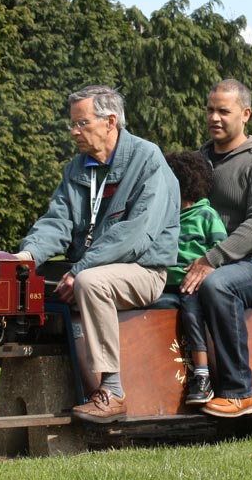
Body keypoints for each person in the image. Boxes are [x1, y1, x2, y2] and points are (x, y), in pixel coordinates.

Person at [17, 84, 180, 423]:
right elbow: (57, 221)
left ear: (110, 122)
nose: (74, 132)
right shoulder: (77, 168)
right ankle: (24, 373)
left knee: (91, 282)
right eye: (72, 125)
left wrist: (81, 269)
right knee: (26, 280)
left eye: (82, 123)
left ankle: (113, 391)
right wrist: (27, 257)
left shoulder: (148, 159)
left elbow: (136, 234)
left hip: (143, 269)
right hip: (88, 267)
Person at [181, 79, 252, 418]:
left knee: (216, 284)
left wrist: (212, 259)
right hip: (210, 260)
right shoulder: (199, 159)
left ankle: (240, 391)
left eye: (224, 111)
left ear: (246, 115)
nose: (215, 117)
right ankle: (195, 380)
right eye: (210, 110)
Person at [161, 151, 227, 405]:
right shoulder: (165, 219)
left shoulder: (205, 216)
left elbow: (219, 247)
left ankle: (202, 374)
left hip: (192, 285)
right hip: (166, 285)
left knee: (192, 314)